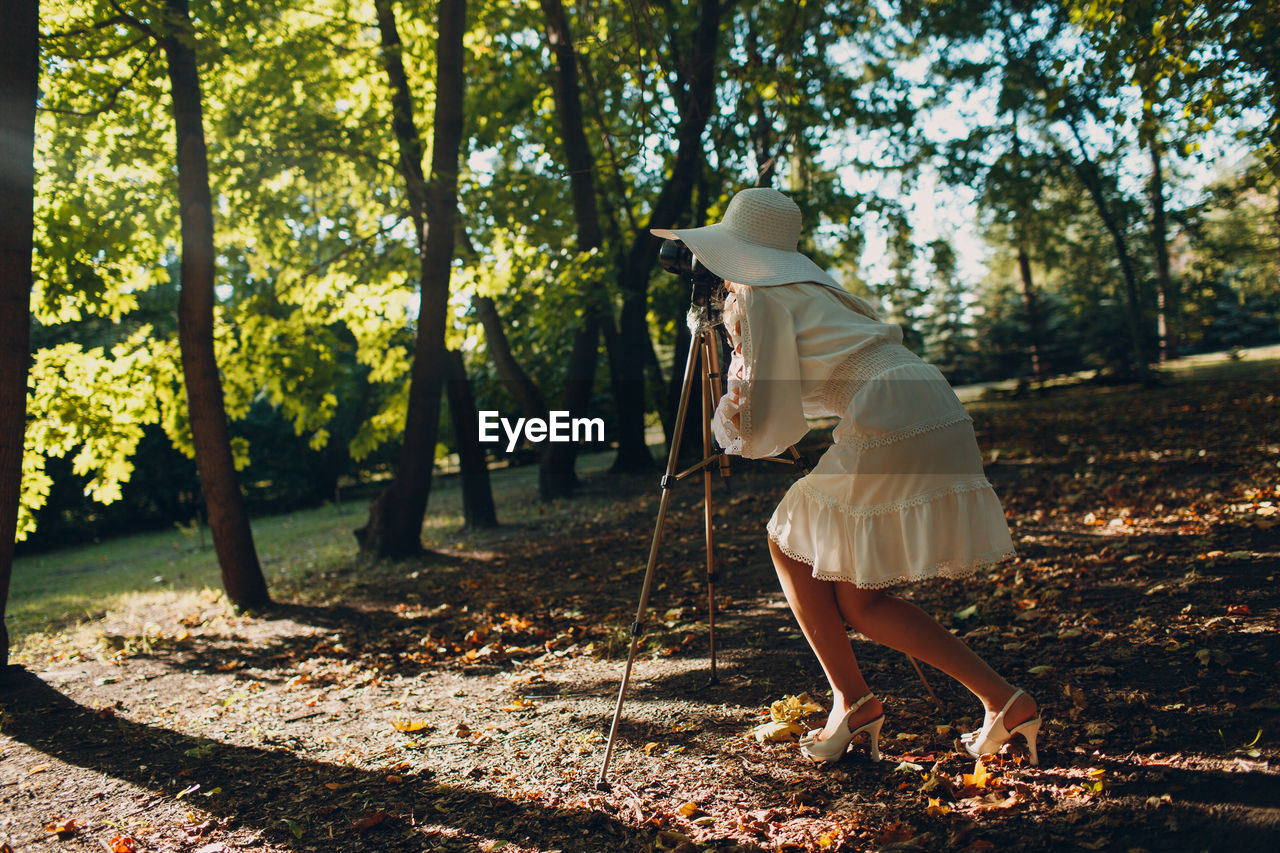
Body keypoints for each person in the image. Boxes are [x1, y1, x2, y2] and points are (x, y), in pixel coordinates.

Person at [652, 188, 1040, 766]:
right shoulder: (809, 289)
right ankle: (1003, 703)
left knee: (786, 538)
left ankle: (853, 700)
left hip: (889, 411)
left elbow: (767, 429)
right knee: (862, 602)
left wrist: (728, 407)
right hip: (924, 397)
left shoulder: (760, 300)